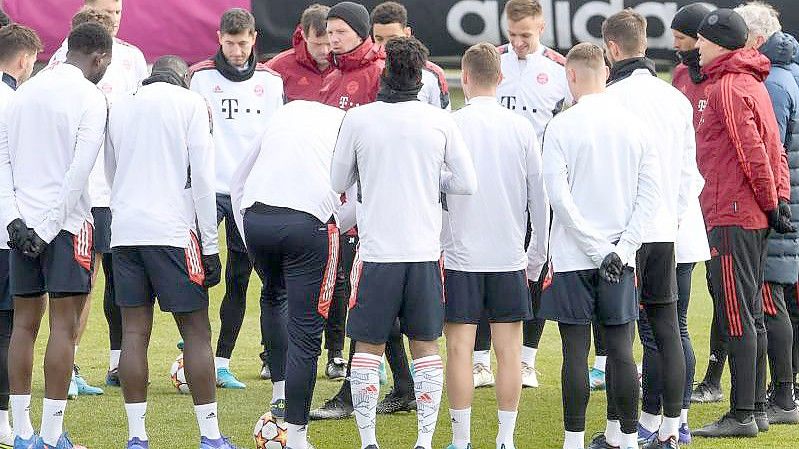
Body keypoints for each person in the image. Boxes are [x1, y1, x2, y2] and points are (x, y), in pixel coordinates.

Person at [331, 36, 477, 449]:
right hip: (424, 254)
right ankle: (425, 442)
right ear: (421, 77)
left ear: (384, 74)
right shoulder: (440, 121)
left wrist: (374, 173)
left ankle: (368, 442)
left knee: (367, 345)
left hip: (377, 253)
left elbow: (336, 182)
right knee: (426, 344)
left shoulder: (359, 120)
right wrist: (430, 177)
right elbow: (467, 183)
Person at [105, 55, 239, 449]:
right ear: (183, 80)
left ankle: (137, 436)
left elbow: (112, 170)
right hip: (174, 231)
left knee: (133, 332)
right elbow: (202, 176)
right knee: (197, 331)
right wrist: (211, 246)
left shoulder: (122, 104)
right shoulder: (191, 104)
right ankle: (210, 435)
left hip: (126, 229)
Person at [587, 10, 702, 449]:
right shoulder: (675, 98)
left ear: (611, 50)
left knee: (619, 335)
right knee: (667, 328)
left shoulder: (609, 98)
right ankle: (671, 430)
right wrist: (668, 221)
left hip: (621, 236)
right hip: (665, 231)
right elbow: (690, 175)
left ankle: (621, 435)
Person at [538, 42, 660, 449]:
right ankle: (626, 439)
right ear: (605, 72)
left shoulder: (561, 125)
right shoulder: (636, 127)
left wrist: (598, 249)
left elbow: (559, 198)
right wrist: (621, 250)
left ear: (571, 75)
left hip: (576, 256)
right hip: (618, 258)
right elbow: (649, 197)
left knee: (575, 351)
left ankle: (572, 441)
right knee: (622, 348)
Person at [0, 22, 112, 449]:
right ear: (99, 57)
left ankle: (23, 433)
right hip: (64, 227)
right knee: (63, 330)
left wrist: (15, 221)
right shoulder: (90, 97)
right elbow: (79, 171)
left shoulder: (23, 92)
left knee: (23, 327)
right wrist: (47, 229)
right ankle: (51, 434)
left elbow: (3, 161)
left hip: (21, 227)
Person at [691, 8, 794, 438]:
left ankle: (743, 413)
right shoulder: (751, 81)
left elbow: (753, 151)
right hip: (749, 211)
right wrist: (779, 200)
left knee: (737, 315)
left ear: (718, 42)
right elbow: (778, 150)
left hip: (733, 212)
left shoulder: (729, 87)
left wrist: (772, 203)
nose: (696, 47)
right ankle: (757, 411)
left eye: (701, 39)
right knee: (750, 313)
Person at [442, 42, 548, 449]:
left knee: (459, 349)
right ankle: (505, 440)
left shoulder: (451, 122)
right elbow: (538, 197)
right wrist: (537, 254)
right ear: (500, 78)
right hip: (508, 255)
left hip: (460, 254)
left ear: (464, 78)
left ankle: (461, 440)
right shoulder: (521, 127)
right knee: (510, 352)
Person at [231, 100, 352, 449]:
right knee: (307, 331)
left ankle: (279, 394)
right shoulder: (347, 124)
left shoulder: (283, 113)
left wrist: (246, 229)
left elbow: (238, 178)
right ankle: (297, 438)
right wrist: (331, 225)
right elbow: (358, 194)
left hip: (256, 217)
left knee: (272, 294)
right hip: (307, 222)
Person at [48, 0, 148, 396]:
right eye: (105, 12)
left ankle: (114, 361)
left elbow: (139, 112)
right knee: (78, 281)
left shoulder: (132, 58)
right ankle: (66, 364)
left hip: (116, 188)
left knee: (114, 281)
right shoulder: (64, 59)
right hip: (79, 188)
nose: (112, 20)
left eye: (118, 13)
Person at [360, 0, 454, 415]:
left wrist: (425, 179)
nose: (382, 48)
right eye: (377, 39)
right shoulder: (367, 73)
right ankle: (398, 386)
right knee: (385, 319)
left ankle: (406, 389)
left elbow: (444, 148)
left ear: (408, 33)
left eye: (390, 39)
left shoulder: (431, 80)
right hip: (380, 212)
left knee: (409, 322)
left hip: (413, 214)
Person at [189, 7, 285, 391]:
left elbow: (276, 138)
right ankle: (192, 349)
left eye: (243, 43)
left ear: (254, 39)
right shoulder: (199, 78)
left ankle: (222, 360)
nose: (237, 51)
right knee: (194, 271)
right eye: (229, 43)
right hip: (208, 189)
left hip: (249, 191)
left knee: (240, 279)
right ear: (219, 39)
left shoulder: (272, 82)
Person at [479, 0, 570, 389]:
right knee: (485, 265)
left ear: (542, 28)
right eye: (512, 35)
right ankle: (481, 361)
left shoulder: (560, 70)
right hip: (494, 186)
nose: (517, 43)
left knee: (537, 269)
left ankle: (527, 361)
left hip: (539, 188)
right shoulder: (490, 62)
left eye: (525, 36)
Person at [309, 1, 388, 421]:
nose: (331, 39)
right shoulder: (334, 74)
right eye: (328, 32)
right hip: (339, 200)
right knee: (373, 296)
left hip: (369, 205)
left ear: (361, 32)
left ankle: (350, 391)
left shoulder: (377, 74)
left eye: (339, 32)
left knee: (363, 296)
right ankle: (408, 385)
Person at [733, 1, 799, 426]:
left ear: (756, 40)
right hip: (786, 199)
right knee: (778, 298)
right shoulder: (783, 73)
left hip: (778, 205)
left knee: (770, 299)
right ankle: (784, 392)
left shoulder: (772, 82)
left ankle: (783, 398)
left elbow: (765, 151)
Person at [0, 22, 41, 449]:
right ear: (25, 59)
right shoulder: (16, 104)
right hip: (6, 229)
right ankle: (4, 419)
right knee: (7, 326)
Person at [319, 1, 384, 109]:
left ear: (360, 34)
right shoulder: (331, 75)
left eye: (341, 32)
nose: (334, 39)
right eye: (330, 33)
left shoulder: (381, 72)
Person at [267, 4, 333, 103]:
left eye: (329, 44)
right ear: (304, 36)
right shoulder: (277, 67)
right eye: (317, 44)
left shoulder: (349, 67)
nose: (325, 51)